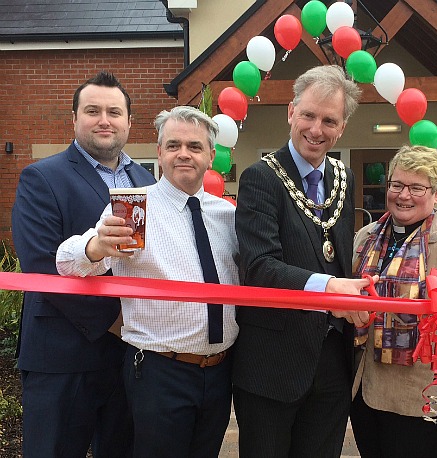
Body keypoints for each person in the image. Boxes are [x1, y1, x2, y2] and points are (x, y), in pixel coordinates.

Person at [56, 106, 238, 457]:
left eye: (194, 146)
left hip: (219, 372)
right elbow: (65, 262)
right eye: (173, 145)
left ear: (211, 156)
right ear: (159, 152)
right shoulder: (132, 208)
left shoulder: (228, 215)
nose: (183, 153)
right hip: (159, 371)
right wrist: (95, 247)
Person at [11, 71, 156, 457]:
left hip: (130, 357)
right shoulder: (42, 177)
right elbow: (41, 266)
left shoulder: (147, 181)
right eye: (92, 111)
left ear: (129, 121)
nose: (104, 120)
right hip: (63, 355)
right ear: (74, 119)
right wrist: (115, 323)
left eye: (114, 111)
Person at [232, 64, 373, 457]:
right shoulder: (261, 177)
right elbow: (259, 266)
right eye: (309, 115)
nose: (316, 129)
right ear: (290, 112)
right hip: (273, 362)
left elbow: (340, 257)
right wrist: (330, 289)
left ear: (342, 127)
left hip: (332, 359)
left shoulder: (343, 178)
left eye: (329, 120)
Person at [350, 145, 437, 457]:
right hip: (367, 387)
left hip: (425, 394)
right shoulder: (364, 238)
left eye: (417, 187)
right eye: (396, 185)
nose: (404, 195)